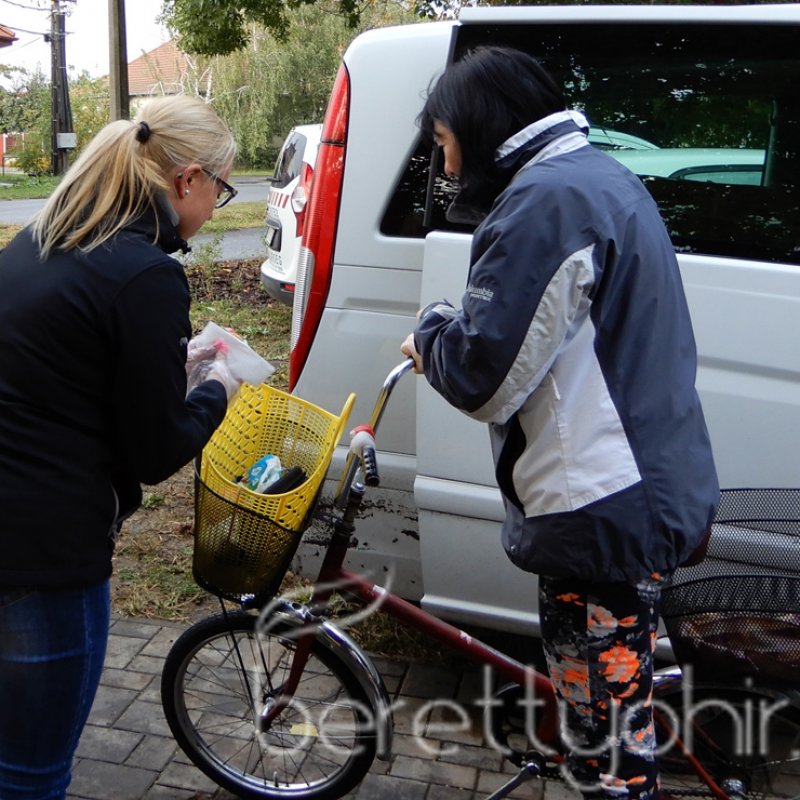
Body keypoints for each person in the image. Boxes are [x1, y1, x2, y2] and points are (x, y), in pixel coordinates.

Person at [401, 46, 719, 800]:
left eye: (444, 146)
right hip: (631, 490)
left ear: (477, 130)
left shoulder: (547, 202)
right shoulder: (593, 177)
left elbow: (485, 376)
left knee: (609, 751)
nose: (446, 171)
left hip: (604, 505)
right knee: (605, 724)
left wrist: (431, 335)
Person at [0, 94, 242, 799]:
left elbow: (58, 372)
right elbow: (154, 451)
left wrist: (172, 372)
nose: (214, 208)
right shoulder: (145, 272)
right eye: (222, 191)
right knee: (31, 773)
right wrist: (216, 388)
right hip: (44, 552)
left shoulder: (38, 240)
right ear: (186, 180)